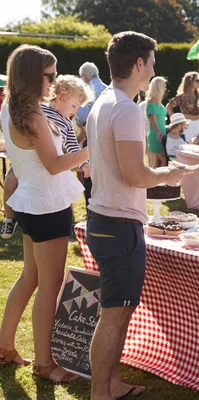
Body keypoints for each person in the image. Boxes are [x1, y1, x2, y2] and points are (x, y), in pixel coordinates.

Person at [85, 31, 193, 400]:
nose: (153, 69)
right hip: (117, 226)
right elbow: (135, 174)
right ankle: (102, 391)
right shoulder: (126, 108)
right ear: (138, 63)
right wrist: (171, 174)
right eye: (151, 62)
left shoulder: (106, 101)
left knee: (120, 311)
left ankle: (111, 384)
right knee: (114, 315)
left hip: (108, 220)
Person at [0, 45, 87, 382]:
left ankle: (6, 345)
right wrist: (91, 148)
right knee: (49, 286)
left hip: (30, 204)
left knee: (30, 278)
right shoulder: (33, 114)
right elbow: (54, 165)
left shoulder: (10, 108)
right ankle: (45, 365)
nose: (54, 81)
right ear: (32, 75)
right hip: (47, 206)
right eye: (49, 75)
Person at [1, 75, 93, 239]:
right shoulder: (39, 110)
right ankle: (9, 218)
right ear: (61, 96)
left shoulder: (66, 123)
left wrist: (84, 163)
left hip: (49, 165)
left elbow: (72, 145)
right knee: (9, 184)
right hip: (28, 159)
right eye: (73, 105)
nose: (75, 111)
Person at [76, 62, 108, 211]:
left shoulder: (87, 90)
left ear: (84, 76)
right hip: (108, 138)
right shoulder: (108, 90)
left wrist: (78, 121)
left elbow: (81, 116)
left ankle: (91, 210)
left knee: (89, 176)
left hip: (92, 138)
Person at [166, 71, 199, 142]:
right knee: (186, 146)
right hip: (186, 124)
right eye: (197, 80)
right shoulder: (182, 97)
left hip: (196, 123)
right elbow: (169, 107)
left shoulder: (198, 97)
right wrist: (176, 120)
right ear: (190, 82)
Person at [146, 76, 168, 167]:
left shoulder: (158, 101)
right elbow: (153, 119)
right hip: (157, 136)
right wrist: (159, 132)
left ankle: (154, 181)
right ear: (158, 86)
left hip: (161, 134)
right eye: (164, 85)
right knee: (164, 160)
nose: (165, 87)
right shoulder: (152, 101)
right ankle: (162, 180)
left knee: (158, 163)